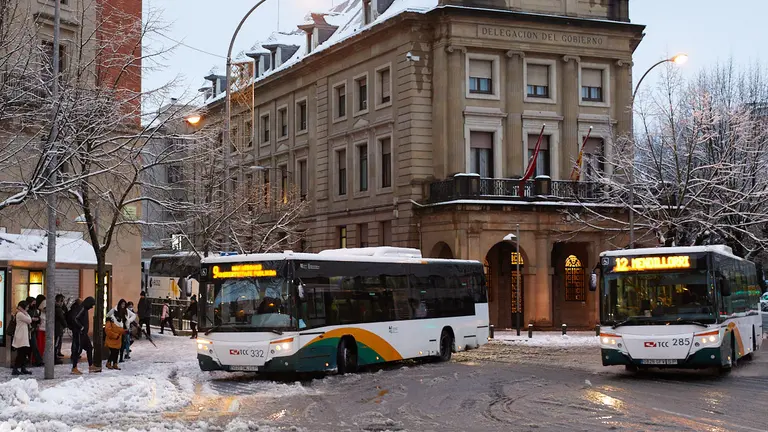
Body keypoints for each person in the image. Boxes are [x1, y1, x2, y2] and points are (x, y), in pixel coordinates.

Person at [71, 297, 99, 375]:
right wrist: (81, 327)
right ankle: (74, 368)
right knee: (78, 350)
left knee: (89, 348)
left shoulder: (84, 309)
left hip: (83, 333)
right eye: (91, 305)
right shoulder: (82, 308)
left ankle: (91, 366)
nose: (92, 307)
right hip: (80, 333)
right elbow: (75, 318)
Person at [12, 300, 33, 376]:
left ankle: (22, 368)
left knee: (24, 353)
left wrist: (25, 313)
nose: (27, 308)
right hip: (21, 337)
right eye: (27, 307)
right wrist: (25, 313)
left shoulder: (21, 313)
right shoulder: (20, 314)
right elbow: (29, 320)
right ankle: (16, 368)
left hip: (24, 336)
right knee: (21, 354)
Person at [54, 294, 67, 363]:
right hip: (58, 328)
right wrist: (66, 325)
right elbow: (62, 318)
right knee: (56, 343)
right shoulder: (58, 309)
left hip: (57, 328)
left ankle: (55, 356)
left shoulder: (56, 307)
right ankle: (55, 358)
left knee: (56, 342)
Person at [36, 295, 47, 361]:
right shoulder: (38, 312)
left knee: (42, 346)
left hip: (44, 330)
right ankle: (37, 359)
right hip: (39, 330)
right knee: (39, 345)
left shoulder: (44, 313)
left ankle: (40, 358)